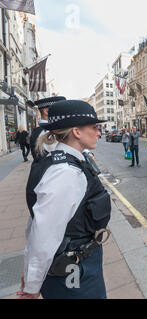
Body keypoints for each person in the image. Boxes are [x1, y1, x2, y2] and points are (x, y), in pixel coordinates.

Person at [19, 100, 110, 299]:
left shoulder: (62, 159)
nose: (99, 132)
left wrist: (30, 271)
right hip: (74, 272)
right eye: (94, 127)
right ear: (77, 132)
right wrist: (32, 286)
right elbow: (43, 233)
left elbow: (37, 220)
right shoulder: (65, 173)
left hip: (77, 264)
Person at [29, 96, 67, 162]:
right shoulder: (49, 131)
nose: (64, 112)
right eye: (60, 108)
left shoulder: (39, 130)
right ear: (47, 111)